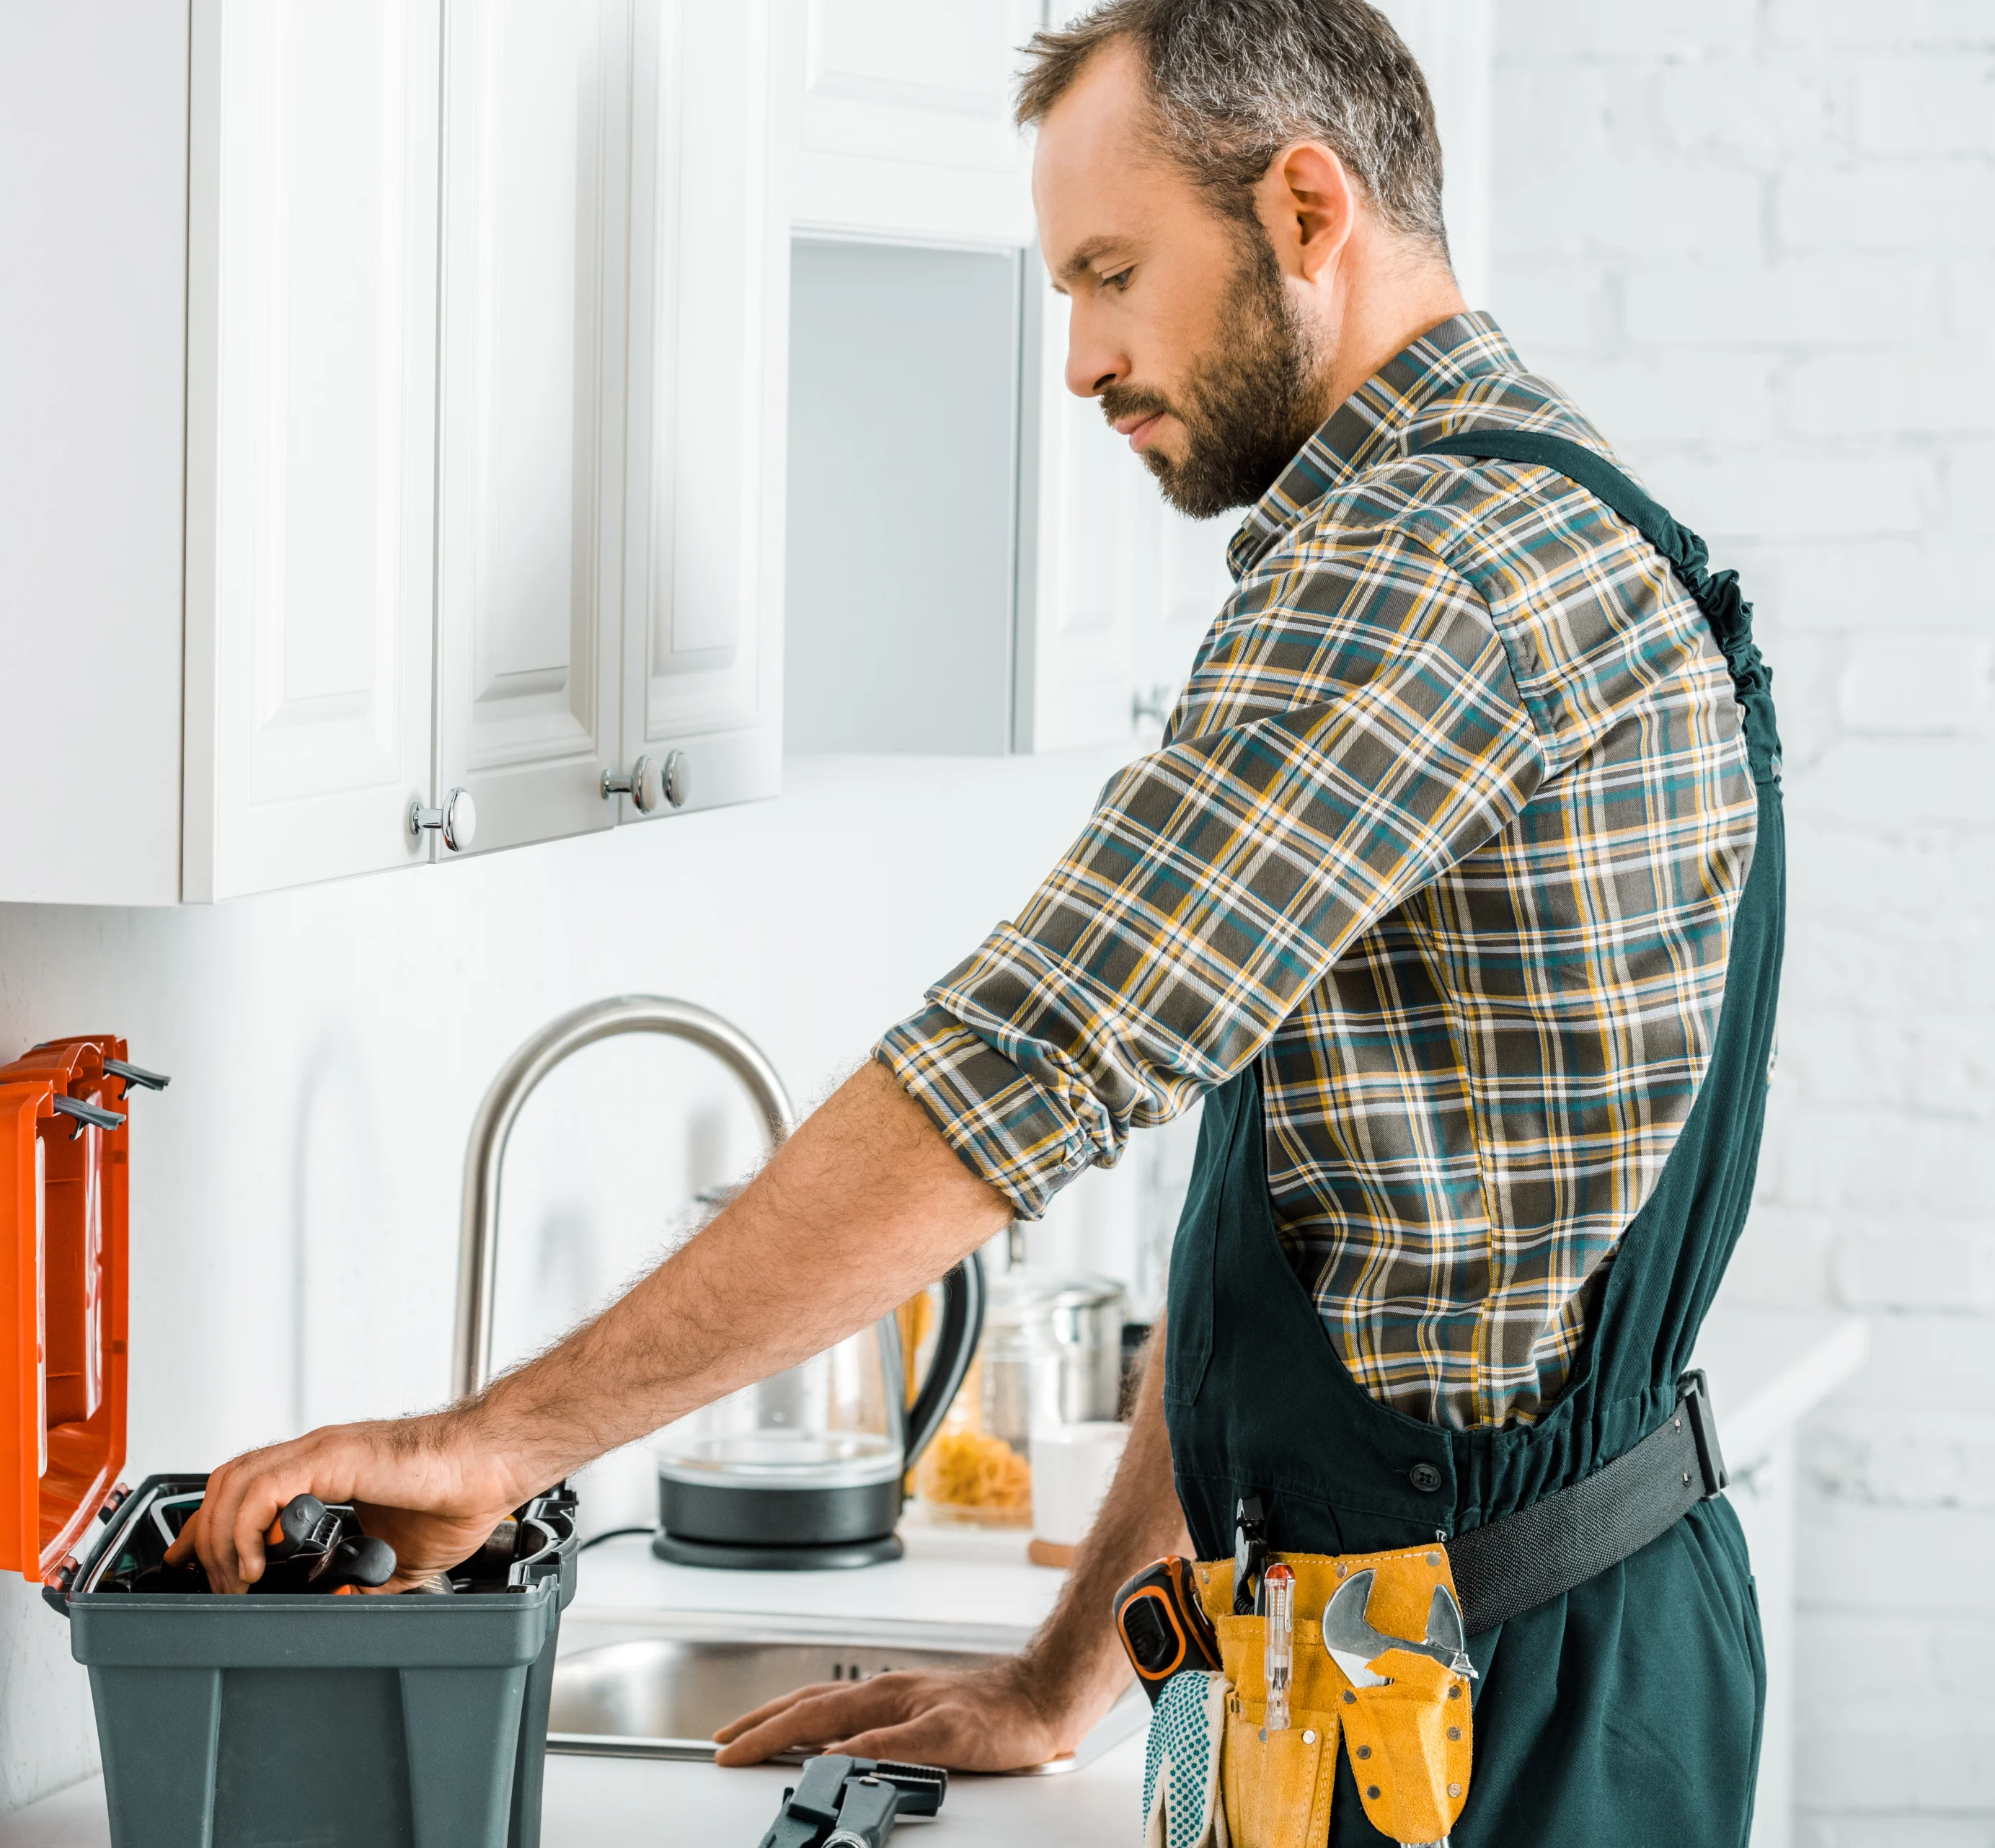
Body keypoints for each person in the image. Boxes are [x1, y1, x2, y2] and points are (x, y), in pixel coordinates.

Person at [174, 1, 1780, 1839]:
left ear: (1308, 208)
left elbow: (1023, 1059)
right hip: (1419, 1661)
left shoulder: (1420, 576)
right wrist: (1071, 1671)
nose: (1082, 357)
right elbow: (1298, 1250)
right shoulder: (1521, 513)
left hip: (1491, 1711)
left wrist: (490, 1444)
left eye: (1113, 271)